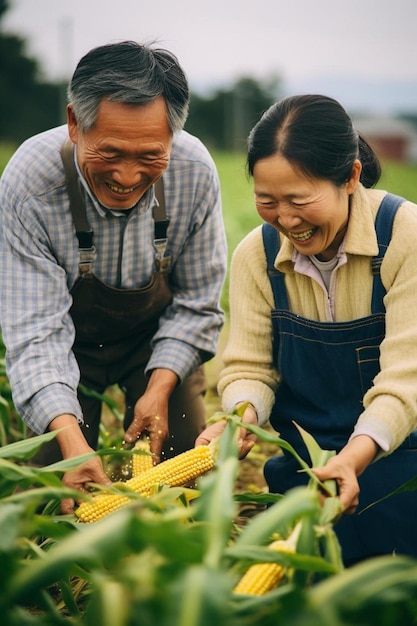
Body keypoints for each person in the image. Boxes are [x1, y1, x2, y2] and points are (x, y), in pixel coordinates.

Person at [0, 41, 227, 514]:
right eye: (111, 152)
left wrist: (160, 386)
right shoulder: (30, 182)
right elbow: (36, 331)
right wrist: (70, 441)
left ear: (173, 137)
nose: (127, 175)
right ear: (74, 124)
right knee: (51, 498)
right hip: (65, 345)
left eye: (150, 155)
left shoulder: (194, 172)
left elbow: (197, 303)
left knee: (177, 489)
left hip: (155, 341)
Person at [197, 94, 417, 566]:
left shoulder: (404, 238)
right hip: (307, 470)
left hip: (401, 463)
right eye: (267, 201)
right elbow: (249, 366)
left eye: (299, 200)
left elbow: (406, 381)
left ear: (351, 177)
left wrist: (353, 460)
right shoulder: (256, 256)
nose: (286, 219)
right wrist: (239, 419)